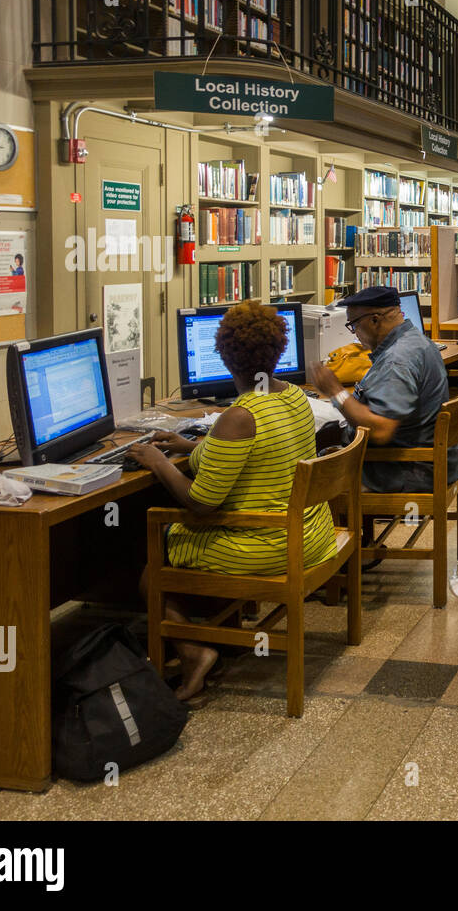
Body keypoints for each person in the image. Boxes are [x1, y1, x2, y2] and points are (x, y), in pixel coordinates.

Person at [127, 300, 337, 701]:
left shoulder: (239, 416)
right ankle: (206, 629)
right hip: (311, 533)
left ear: (222, 355)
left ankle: (194, 651)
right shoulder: (292, 396)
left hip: (268, 545)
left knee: (148, 566)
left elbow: (202, 503)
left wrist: (157, 461)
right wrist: (190, 445)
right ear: (279, 349)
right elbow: (255, 452)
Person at [310, 285, 458, 493]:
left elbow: (380, 431)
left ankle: (333, 523)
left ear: (374, 320)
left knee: (305, 482)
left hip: (405, 470)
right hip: (424, 462)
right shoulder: (415, 341)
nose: (354, 334)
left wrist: (335, 391)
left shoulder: (397, 360)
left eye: (353, 325)